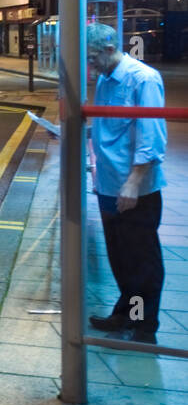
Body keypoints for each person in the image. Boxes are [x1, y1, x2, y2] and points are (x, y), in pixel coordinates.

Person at [86, 22, 165, 344]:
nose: (90, 68)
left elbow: (152, 139)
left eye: (92, 59)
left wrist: (133, 183)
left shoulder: (142, 79)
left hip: (134, 188)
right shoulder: (105, 79)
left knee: (141, 259)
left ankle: (145, 327)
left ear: (109, 50)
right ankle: (124, 314)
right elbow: (106, 129)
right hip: (108, 184)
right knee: (119, 256)